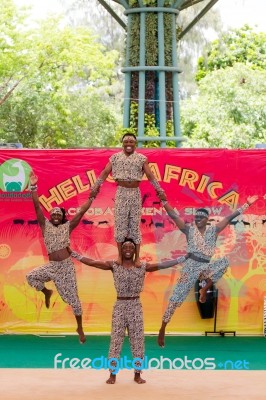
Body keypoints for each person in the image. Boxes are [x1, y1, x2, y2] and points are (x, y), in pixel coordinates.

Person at [70, 239, 183, 384]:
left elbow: (161, 265)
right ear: (121, 250)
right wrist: (74, 254)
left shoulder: (142, 266)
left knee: (138, 341)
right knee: (116, 341)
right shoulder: (114, 265)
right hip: (120, 305)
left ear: (135, 250)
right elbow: (92, 262)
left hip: (135, 305)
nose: (128, 249)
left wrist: (181, 259)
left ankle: (137, 374)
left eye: (131, 247)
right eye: (125, 247)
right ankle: (112, 374)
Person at [157, 193, 259, 347]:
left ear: (207, 220)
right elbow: (174, 216)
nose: (197, 219)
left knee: (224, 262)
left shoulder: (214, 230)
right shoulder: (189, 231)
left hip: (205, 266)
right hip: (191, 266)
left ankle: (204, 290)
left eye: (201, 217)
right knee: (175, 299)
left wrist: (247, 204)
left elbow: (229, 218)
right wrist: (164, 201)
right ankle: (163, 328)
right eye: (196, 217)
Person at [26, 170, 97, 344]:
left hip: (65, 267)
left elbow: (80, 213)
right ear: (51, 217)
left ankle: (79, 327)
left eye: (59, 213)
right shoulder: (45, 226)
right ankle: (46, 291)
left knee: (73, 300)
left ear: (63, 217)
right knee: (31, 277)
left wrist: (92, 197)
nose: (56, 215)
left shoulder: (67, 227)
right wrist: (33, 187)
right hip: (52, 266)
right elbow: (36, 207)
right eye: (54, 213)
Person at [90, 132, 164, 266]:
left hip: (135, 193)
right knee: (120, 225)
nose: (128, 143)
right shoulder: (115, 158)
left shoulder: (141, 158)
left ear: (135, 144)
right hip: (121, 192)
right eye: (126, 141)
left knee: (134, 225)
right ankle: (119, 256)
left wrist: (160, 190)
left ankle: (137, 258)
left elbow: (150, 175)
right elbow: (105, 172)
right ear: (122, 143)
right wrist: (95, 187)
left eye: (131, 141)